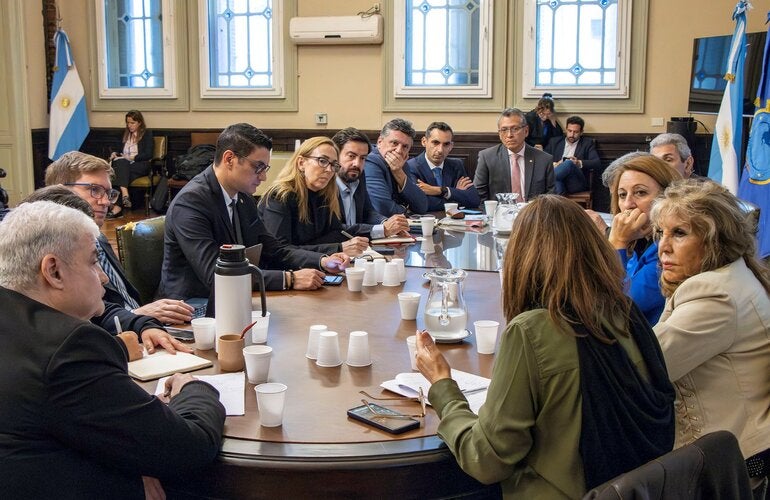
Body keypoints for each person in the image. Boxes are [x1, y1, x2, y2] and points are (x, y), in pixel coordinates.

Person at [414, 195, 674, 498]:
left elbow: (486, 460)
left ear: (521, 257)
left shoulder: (532, 331)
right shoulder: (626, 311)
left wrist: (443, 385)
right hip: (633, 488)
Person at [0, 201, 225, 498]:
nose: (104, 276)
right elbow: (188, 449)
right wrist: (195, 390)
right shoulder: (71, 346)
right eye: (93, 262)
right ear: (53, 271)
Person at [650, 179, 770, 495]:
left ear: (716, 241)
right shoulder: (733, 274)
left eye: (679, 233)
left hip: (732, 470)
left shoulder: (715, 294)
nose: (663, 246)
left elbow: (646, 368)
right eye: (661, 233)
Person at [160, 123, 349, 303]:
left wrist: (322, 261)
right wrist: (289, 279)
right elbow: (216, 274)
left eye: (264, 168)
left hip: (235, 297)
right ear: (229, 159)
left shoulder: (243, 197)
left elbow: (274, 250)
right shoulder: (190, 203)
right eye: (257, 167)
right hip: (192, 307)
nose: (264, 176)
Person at [45, 152, 194, 355]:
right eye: (95, 190)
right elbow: (83, 318)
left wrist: (144, 320)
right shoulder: (51, 248)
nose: (106, 201)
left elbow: (121, 300)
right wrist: (137, 315)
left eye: (108, 193)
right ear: (61, 191)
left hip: (142, 329)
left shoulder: (99, 238)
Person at [1, 185, 145, 361]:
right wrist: (116, 348)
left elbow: (104, 308)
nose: (105, 201)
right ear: (54, 272)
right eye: (92, 262)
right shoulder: (67, 346)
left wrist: (142, 322)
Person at [587, 153, 681, 325]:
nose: (628, 204)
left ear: (666, 197)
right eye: (622, 195)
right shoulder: (640, 241)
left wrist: (617, 241)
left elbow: (615, 307)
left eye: (640, 193)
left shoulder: (669, 250)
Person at [258, 136, 369, 256]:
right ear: (301, 163)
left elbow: (335, 233)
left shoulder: (325, 195)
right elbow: (280, 250)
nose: (329, 170)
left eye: (333, 165)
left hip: (316, 266)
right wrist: (338, 248)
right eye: (322, 161)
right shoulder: (280, 196)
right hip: (286, 271)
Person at [331, 127, 410, 239]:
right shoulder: (324, 184)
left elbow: (367, 213)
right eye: (351, 156)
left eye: (363, 158)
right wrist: (383, 230)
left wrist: (387, 223)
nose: (357, 164)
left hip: (360, 247)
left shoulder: (359, 176)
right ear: (335, 156)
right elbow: (334, 229)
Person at [474, 108, 554, 202]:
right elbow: (479, 196)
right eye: (504, 130)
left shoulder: (544, 160)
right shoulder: (487, 157)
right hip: (499, 215)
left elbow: (550, 197)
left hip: (533, 215)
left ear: (526, 131)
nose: (509, 135)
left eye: (515, 129)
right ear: (499, 134)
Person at [407, 121, 480, 211]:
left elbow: (474, 199)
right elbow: (421, 203)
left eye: (446, 144)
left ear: (451, 146)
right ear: (424, 142)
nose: (440, 150)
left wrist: (441, 190)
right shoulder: (411, 167)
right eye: (435, 143)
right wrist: (455, 195)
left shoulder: (456, 165)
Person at [363, 118, 428, 216]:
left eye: (405, 147)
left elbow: (422, 206)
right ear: (380, 141)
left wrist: (399, 172)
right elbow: (383, 207)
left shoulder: (402, 164)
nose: (398, 151)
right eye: (394, 143)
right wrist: (408, 212)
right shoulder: (370, 160)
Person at [107, 110, 153, 218]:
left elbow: (148, 154)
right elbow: (119, 151)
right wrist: (115, 153)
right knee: (121, 165)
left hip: (140, 164)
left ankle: (116, 207)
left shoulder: (147, 134)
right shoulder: (125, 134)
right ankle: (125, 195)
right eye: (128, 123)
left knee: (117, 174)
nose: (130, 126)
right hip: (125, 165)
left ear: (139, 123)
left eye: (133, 123)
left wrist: (131, 157)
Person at [545, 115, 602, 195]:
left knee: (569, 163)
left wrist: (578, 163)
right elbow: (544, 161)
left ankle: (546, 180)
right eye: (569, 131)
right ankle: (561, 206)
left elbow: (596, 163)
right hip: (559, 181)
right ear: (566, 129)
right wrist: (555, 164)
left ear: (581, 132)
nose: (572, 134)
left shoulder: (587, 143)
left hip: (576, 183)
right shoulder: (554, 142)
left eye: (576, 132)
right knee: (558, 183)